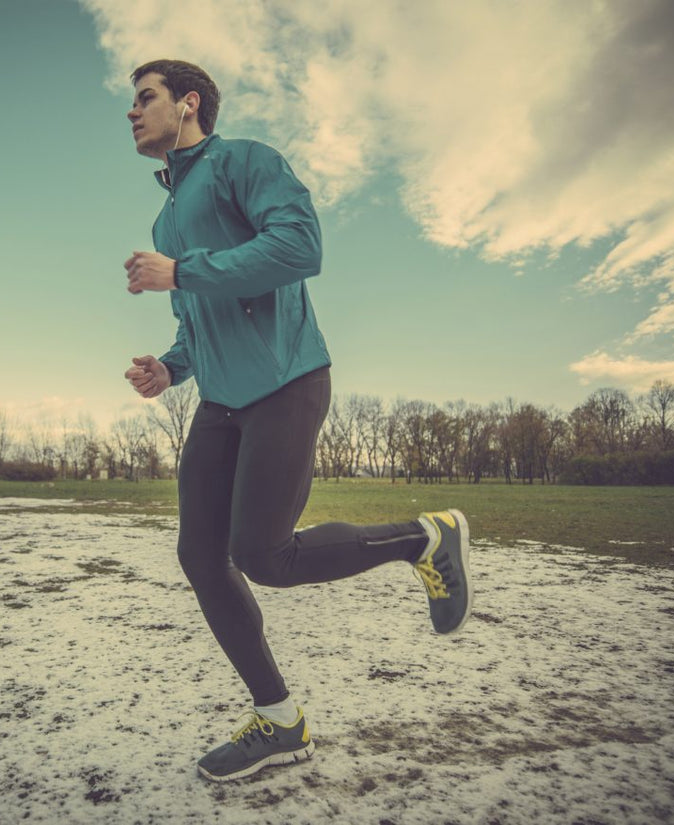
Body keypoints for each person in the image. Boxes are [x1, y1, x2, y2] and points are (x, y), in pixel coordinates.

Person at [122, 59, 472, 783]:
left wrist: (181, 272)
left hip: (287, 383)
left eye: (145, 98)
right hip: (219, 404)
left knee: (263, 554)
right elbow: (201, 320)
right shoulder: (165, 215)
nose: (132, 112)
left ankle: (425, 537)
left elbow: (298, 248)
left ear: (188, 104)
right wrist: (170, 366)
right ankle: (279, 719)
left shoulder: (245, 162)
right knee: (199, 554)